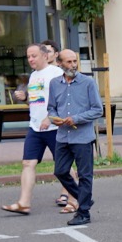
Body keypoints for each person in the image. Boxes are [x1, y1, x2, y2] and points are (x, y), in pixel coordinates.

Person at [2, 43, 63, 215]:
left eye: (33, 56)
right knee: (28, 163)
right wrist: (25, 98)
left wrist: (50, 117)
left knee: (63, 165)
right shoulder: (33, 76)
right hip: (35, 127)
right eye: (28, 56)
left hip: (53, 127)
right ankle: (24, 203)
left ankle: (76, 198)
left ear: (45, 56)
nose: (30, 59)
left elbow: (63, 99)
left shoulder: (56, 73)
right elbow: (36, 101)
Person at [46, 50, 101, 227]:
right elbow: (51, 108)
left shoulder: (88, 83)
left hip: (82, 137)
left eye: (75, 61)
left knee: (85, 175)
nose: (73, 65)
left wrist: (75, 119)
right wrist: (55, 118)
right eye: (68, 62)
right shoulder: (55, 84)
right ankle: (84, 198)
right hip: (63, 136)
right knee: (60, 171)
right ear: (60, 64)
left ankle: (83, 213)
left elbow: (97, 110)